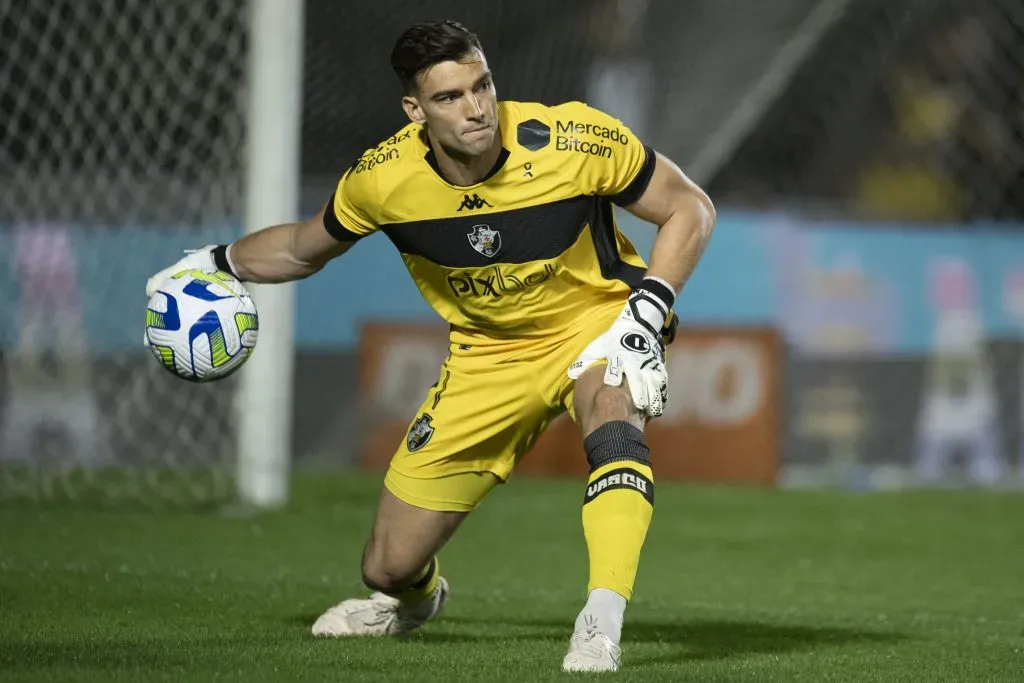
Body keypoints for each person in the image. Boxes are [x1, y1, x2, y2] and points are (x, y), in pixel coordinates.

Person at [145, 20, 715, 673]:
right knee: (385, 563)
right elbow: (304, 248)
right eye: (450, 98)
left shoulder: (574, 138)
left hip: (598, 320)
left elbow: (689, 209)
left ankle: (600, 620)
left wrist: (646, 313)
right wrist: (218, 262)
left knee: (614, 412)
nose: (475, 109)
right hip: (487, 355)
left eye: (482, 86)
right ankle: (414, 600)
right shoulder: (383, 181)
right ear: (415, 110)